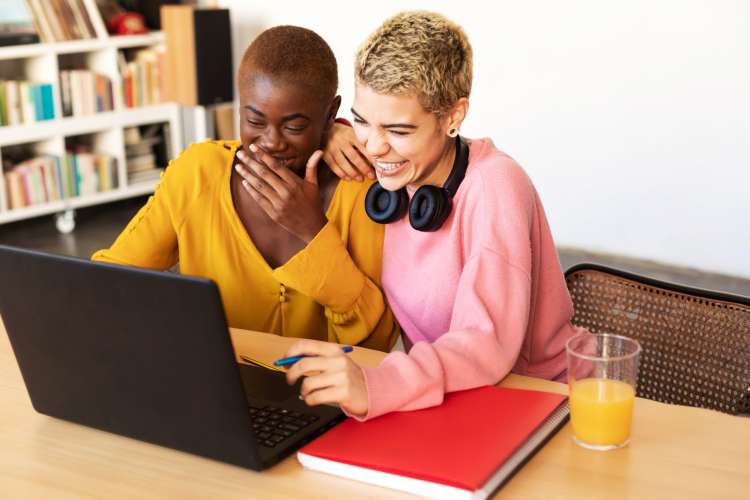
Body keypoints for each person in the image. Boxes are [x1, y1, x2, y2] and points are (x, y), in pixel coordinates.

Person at [283, 11, 585, 419]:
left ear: (454, 117)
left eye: (399, 131)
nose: (373, 147)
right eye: (361, 120)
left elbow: (485, 342)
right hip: (455, 401)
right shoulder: (388, 172)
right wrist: (332, 131)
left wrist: (377, 384)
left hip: (548, 401)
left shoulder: (495, 185)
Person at [93, 26, 400, 351]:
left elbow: (376, 342)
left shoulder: (361, 188)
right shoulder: (197, 173)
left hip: (326, 393)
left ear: (330, 115)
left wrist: (314, 233)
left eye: (294, 126)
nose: (271, 142)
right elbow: (111, 281)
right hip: (215, 384)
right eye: (254, 122)